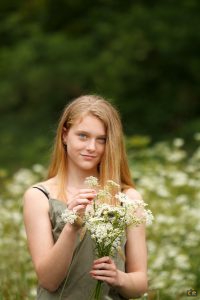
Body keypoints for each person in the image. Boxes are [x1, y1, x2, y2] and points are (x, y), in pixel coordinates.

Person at [23, 95, 148, 300]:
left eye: (102, 139)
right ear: (65, 135)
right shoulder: (39, 196)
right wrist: (72, 225)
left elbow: (140, 284)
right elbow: (48, 280)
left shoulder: (127, 198)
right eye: (83, 136)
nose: (91, 147)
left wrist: (119, 278)